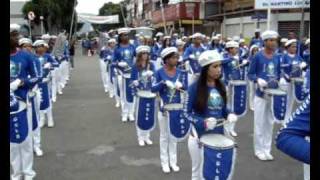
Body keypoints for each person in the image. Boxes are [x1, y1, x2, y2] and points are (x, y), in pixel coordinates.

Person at [184, 50, 238, 180]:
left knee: (216, 173)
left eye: (220, 66)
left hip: (218, 135)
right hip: (198, 137)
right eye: (215, 66)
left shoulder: (221, 86)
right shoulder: (194, 87)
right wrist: (203, 122)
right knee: (198, 172)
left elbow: (224, 108)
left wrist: (230, 114)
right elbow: (186, 113)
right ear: (205, 69)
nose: (219, 69)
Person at [248, 30, 285, 161]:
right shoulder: (257, 56)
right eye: (271, 40)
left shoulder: (277, 57)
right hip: (260, 94)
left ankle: (267, 149)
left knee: (270, 122)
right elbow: (250, 74)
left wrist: (280, 80)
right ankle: (258, 150)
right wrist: (257, 80)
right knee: (259, 123)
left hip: (273, 95)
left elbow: (279, 73)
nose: (274, 43)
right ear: (265, 42)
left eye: (275, 40)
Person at [10, 24, 39, 180]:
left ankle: (28, 172)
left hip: (22, 101)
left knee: (26, 139)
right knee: (12, 144)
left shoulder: (26, 56)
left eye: (17, 35)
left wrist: (22, 83)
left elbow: (36, 77)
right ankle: (16, 173)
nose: (17, 38)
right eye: (13, 35)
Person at [151, 47, 186, 173]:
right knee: (164, 136)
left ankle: (173, 162)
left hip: (176, 109)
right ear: (166, 59)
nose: (176, 59)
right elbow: (153, 89)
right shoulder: (159, 72)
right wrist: (163, 83)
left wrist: (181, 86)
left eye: (177, 57)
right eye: (173, 57)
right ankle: (164, 162)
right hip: (164, 109)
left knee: (174, 136)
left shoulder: (181, 72)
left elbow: (187, 88)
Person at [222, 41, 249, 136]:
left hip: (236, 85)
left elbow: (246, 62)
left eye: (237, 48)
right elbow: (221, 62)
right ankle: (225, 127)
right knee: (227, 107)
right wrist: (231, 59)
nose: (237, 50)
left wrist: (245, 62)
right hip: (227, 85)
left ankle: (232, 128)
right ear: (230, 49)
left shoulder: (238, 58)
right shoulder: (225, 58)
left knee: (234, 106)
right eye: (235, 48)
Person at [130, 45, 156, 146]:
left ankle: (147, 136)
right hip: (140, 94)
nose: (145, 55)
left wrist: (152, 75)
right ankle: (140, 137)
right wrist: (135, 83)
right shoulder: (135, 66)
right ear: (139, 55)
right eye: (143, 53)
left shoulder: (151, 65)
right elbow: (132, 81)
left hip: (149, 93)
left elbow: (156, 79)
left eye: (146, 53)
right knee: (140, 115)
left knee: (149, 114)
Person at [279, 39, 307, 122]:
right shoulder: (284, 57)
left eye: (295, 47)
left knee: (291, 100)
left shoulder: (298, 57)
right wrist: (286, 76)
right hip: (286, 82)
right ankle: (282, 117)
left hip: (294, 82)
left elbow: (303, 66)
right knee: (285, 100)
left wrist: (303, 66)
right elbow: (280, 69)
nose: (295, 48)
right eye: (293, 47)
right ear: (288, 48)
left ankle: (287, 118)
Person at [112, 28, 136, 122]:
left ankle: (131, 113)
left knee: (132, 93)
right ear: (120, 37)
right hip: (121, 74)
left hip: (132, 74)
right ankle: (125, 113)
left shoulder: (132, 47)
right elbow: (112, 62)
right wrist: (118, 64)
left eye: (127, 35)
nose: (126, 37)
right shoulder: (117, 48)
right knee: (123, 94)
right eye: (124, 35)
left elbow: (138, 58)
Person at [248, 45, 260, 111]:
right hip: (251, 77)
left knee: (257, 91)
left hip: (257, 77)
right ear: (252, 51)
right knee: (252, 91)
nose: (255, 51)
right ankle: (251, 105)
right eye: (254, 50)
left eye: (256, 50)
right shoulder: (250, 58)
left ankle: (256, 104)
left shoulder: (259, 58)